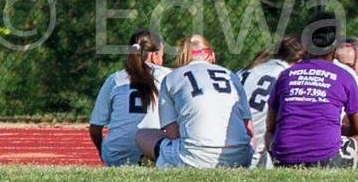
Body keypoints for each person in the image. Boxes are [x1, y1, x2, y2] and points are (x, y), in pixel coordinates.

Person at [265, 11, 358, 167]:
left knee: (271, 135)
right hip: (324, 158)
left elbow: (270, 127)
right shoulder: (344, 77)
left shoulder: (286, 75)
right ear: (336, 46)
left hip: (284, 157)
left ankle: (283, 161)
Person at [135, 34, 253, 168]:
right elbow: (249, 130)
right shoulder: (231, 75)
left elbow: (173, 135)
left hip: (195, 159)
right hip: (240, 157)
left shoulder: (171, 78)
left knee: (142, 135)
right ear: (211, 55)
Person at [88, 30, 170, 166]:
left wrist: (104, 153)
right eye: (162, 55)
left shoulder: (114, 79)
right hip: (156, 155)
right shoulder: (168, 76)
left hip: (115, 156)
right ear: (155, 55)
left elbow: (95, 128)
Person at [238, 36, 306, 168]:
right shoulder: (288, 76)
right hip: (255, 151)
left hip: (226, 141)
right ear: (300, 61)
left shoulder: (246, 70)